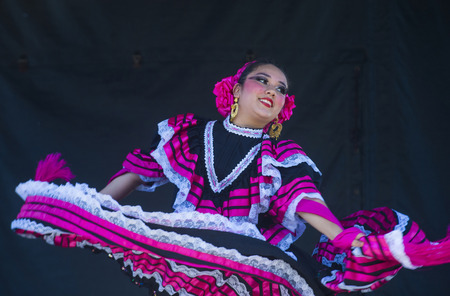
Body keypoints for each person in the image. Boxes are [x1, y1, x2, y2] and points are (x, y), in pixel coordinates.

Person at [12, 60, 450, 296]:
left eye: (281, 89)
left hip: (248, 263)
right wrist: (90, 209)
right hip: (186, 261)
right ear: (236, 89)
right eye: (263, 80)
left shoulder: (281, 154)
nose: (273, 91)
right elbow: (131, 177)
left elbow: (306, 201)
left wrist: (344, 239)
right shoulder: (185, 134)